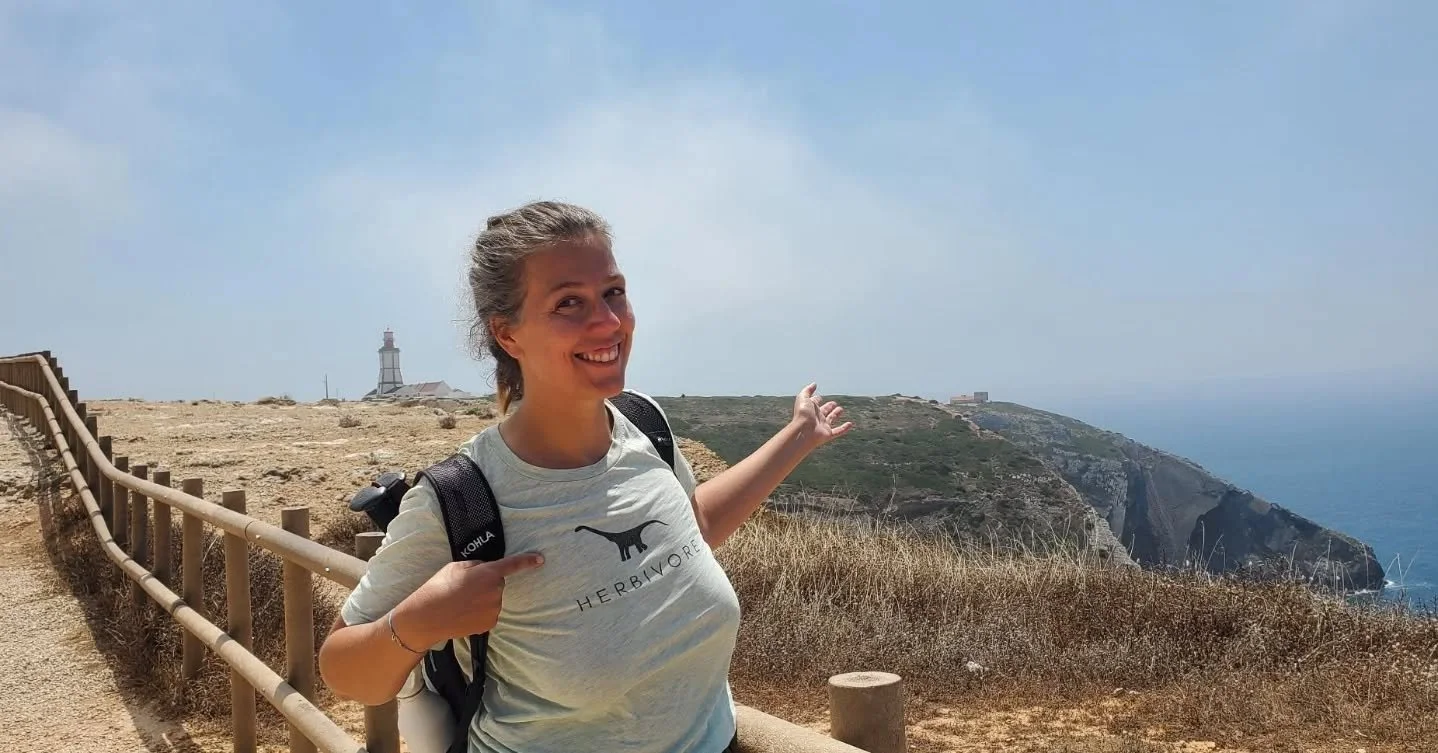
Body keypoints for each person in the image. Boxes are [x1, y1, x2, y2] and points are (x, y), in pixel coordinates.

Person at [317, 200, 854, 753]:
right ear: (508, 334)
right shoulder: (460, 499)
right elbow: (342, 670)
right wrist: (417, 623)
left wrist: (798, 437)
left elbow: (692, 525)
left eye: (613, 292)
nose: (608, 322)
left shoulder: (644, 423)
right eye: (568, 302)